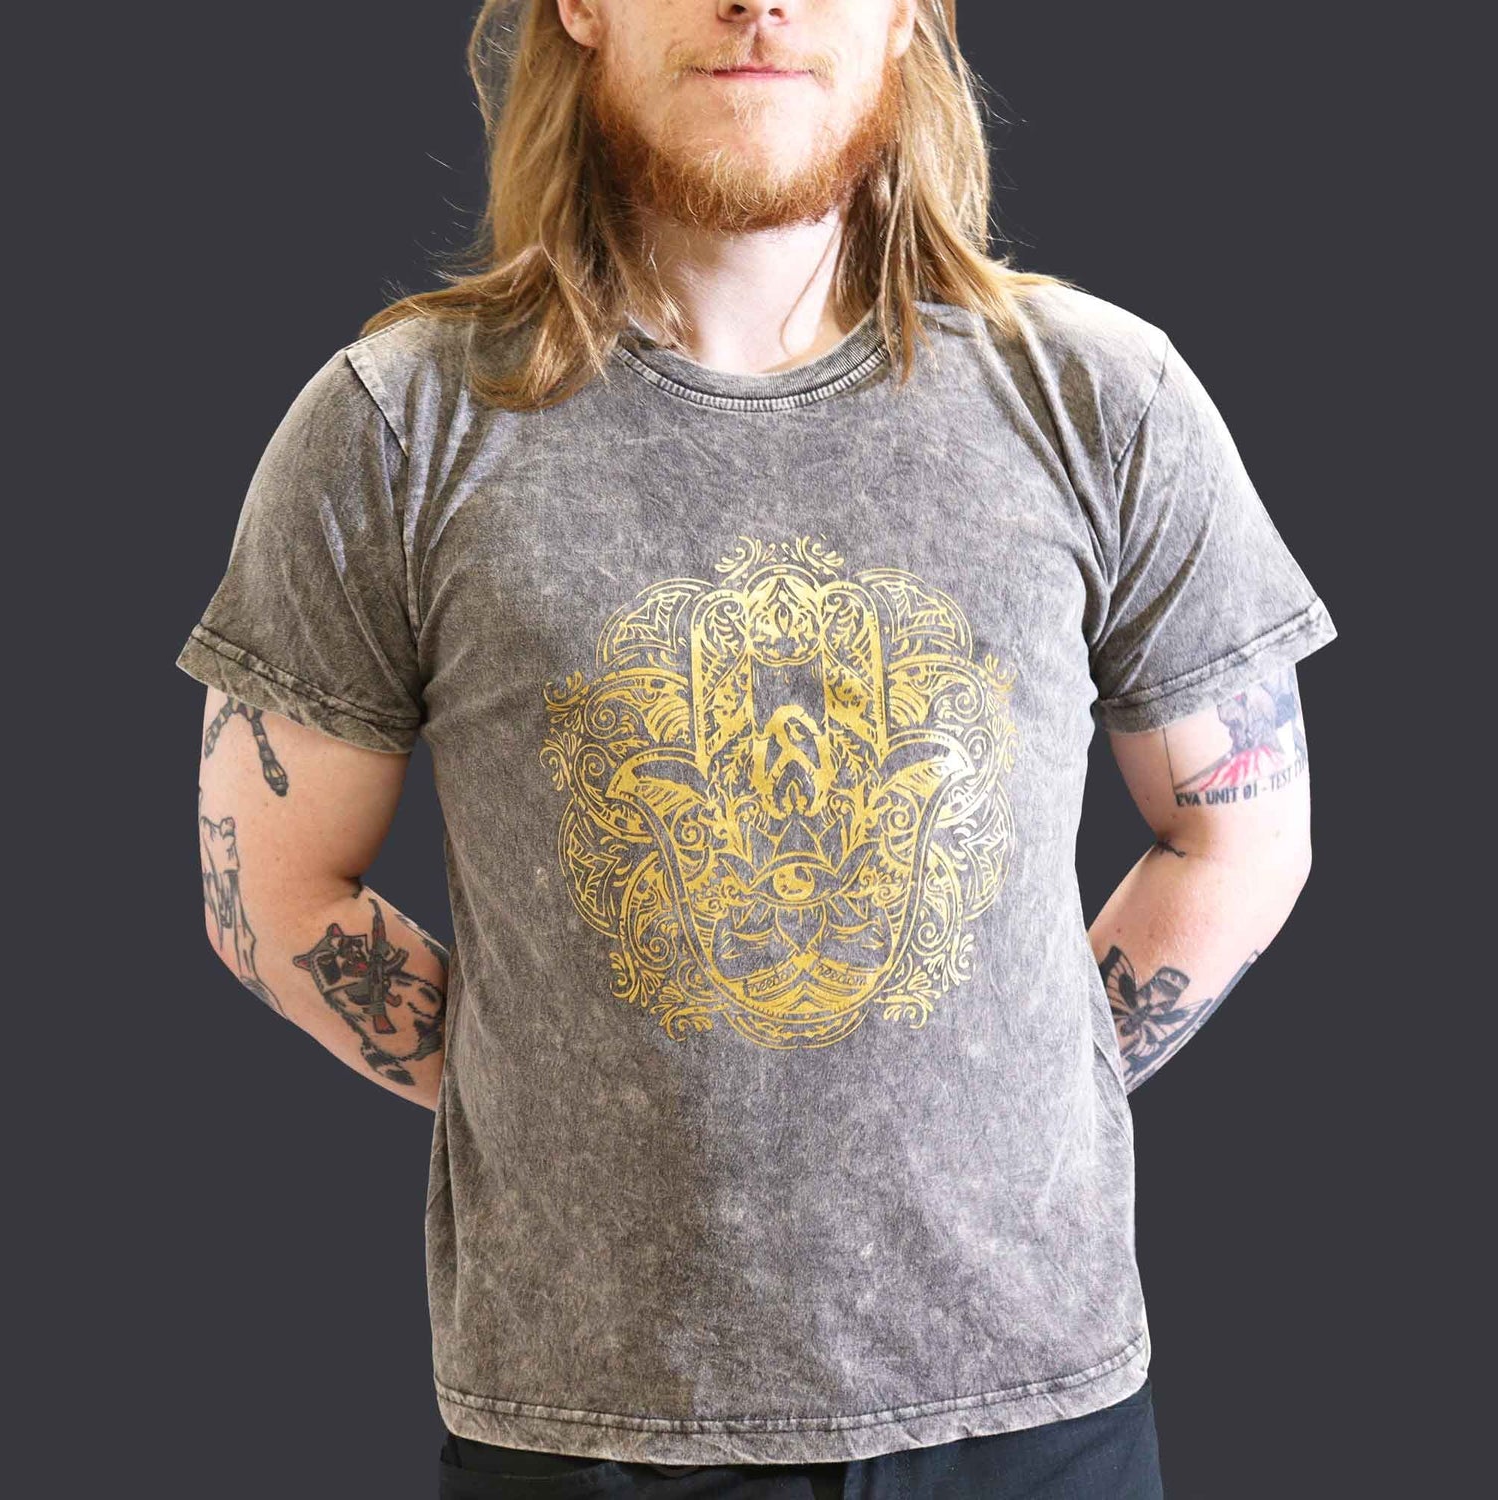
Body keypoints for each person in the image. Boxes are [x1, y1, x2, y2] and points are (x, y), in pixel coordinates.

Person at [176, 2, 1338, 1495]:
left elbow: (1240, 832)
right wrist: (541, 1084)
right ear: (580, 8)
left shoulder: (1103, 401)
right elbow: (265, 892)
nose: (759, 4)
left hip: (1030, 1419)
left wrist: (1034, 1078)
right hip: (584, 1426)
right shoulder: (395, 428)